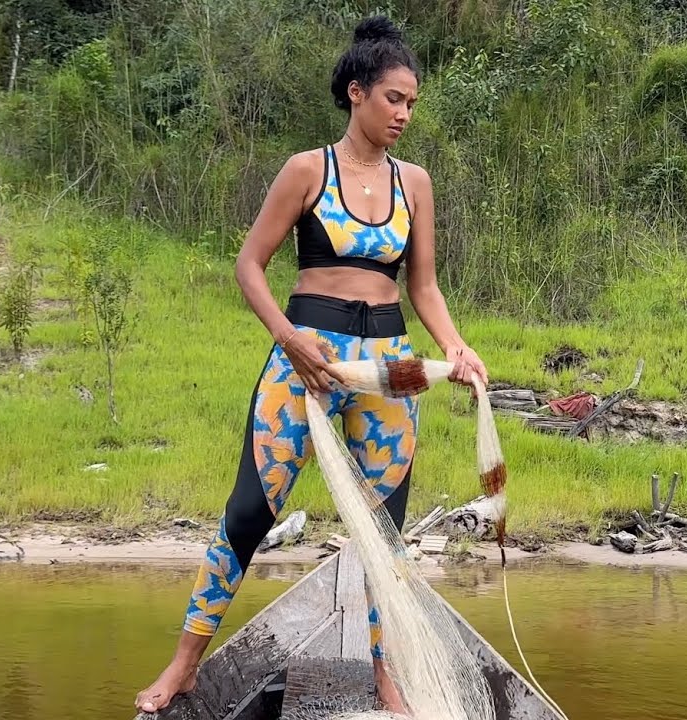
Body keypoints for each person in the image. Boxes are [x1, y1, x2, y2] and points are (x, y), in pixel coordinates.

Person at [135, 14, 488, 716]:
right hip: (307, 359)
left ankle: (387, 678)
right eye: (394, 98)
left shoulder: (414, 183)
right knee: (246, 515)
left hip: (388, 367)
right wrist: (289, 338)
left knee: (384, 537)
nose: (405, 114)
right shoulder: (307, 170)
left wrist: (455, 347)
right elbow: (249, 266)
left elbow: (424, 288)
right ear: (356, 93)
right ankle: (182, 666)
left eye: (413, 103)